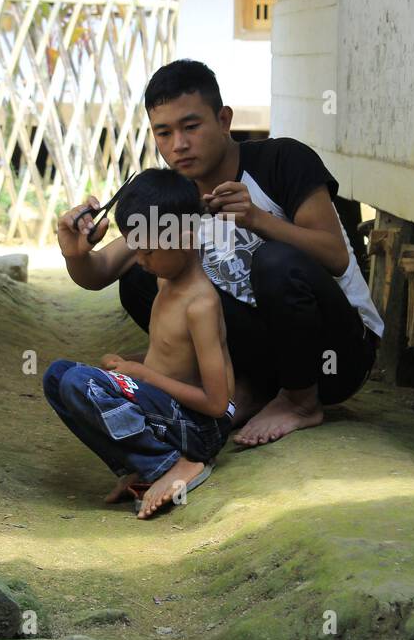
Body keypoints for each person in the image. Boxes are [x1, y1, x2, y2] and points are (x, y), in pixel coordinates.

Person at [56, 59, 382, 447]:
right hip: (266, 358)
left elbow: (335, 256)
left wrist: (259, 220)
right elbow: (103, 269)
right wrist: (75, 253)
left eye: (191, 127)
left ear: (224, 119)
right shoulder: (174, 198)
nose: (178, 144)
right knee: (142, 277)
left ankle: (299, 402)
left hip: (336, 354)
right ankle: (245, 385)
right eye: (164, 133)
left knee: (276, 262)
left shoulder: (282, 161)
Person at [43, 168, 235, 519]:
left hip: (199, 427)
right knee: (58, 377)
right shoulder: (165, 282)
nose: (140, 261)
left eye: (148, 250)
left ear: (186, 238)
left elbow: (218, 402)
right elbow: (172, 358)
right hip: (168, 413)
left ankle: (173, 464)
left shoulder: (200, 304)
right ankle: (141, 465)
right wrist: (130, 365)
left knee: (78, 383)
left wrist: (141, 374)